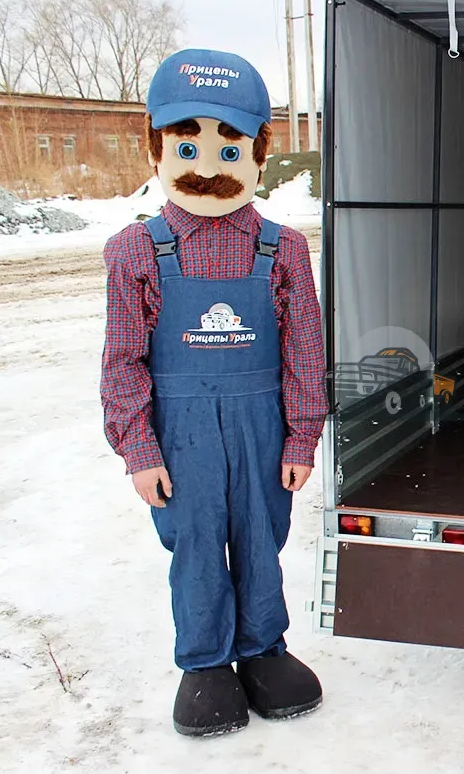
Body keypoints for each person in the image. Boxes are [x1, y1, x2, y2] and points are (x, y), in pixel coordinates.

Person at [100, 48, 328, 737]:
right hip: (181, 432)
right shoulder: (135, 251)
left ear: (259, 154)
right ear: (156, 148)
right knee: (197, 545)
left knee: (261, 539)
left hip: (263, 425)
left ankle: (262, 651)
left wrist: (301, 437)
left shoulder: (284, 250)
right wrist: (140, 450)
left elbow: (304, 351)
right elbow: (123, 360)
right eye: (186, 145)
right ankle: (204, 664)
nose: (207, 166)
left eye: (230, 148)